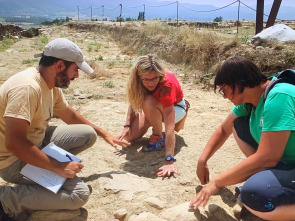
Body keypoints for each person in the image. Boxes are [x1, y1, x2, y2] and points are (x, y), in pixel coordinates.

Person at [0, 38, 129, 220]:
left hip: (35, 140)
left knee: (87, 134)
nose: (76, 76)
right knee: (79, 195)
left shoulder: (49, 85)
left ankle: (48, 186)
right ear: (60, 65)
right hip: (12, 160)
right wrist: (57, 166)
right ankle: (6, 200)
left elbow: (71, 117)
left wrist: (103, 133)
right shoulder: (27, 88)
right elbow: (14, 143)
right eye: (75, 70)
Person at [189, 56, 295, 220]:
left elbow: (268, 158)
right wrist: (202, 160)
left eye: (224, 90)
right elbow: (224, 130)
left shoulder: (278, 96)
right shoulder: (250, 102)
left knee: (253, 195)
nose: (224, 96)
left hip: (279, 161)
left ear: (238, 83)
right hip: (286, 162)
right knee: (238, 124)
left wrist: (217, 182)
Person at [117, 54, 188, 177]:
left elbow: (169, 125)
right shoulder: (138, 82)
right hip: (154, 106)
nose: (150, 83)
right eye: (146, 79)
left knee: (148, 101)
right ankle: (153, 120)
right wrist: (127, 125)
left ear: (160, 75)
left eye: (154, 78)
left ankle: (158, 136)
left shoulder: (166, 85)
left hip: (177, 108)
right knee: (129, 136)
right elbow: (134, 102)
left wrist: (169, 159)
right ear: (139, 77)